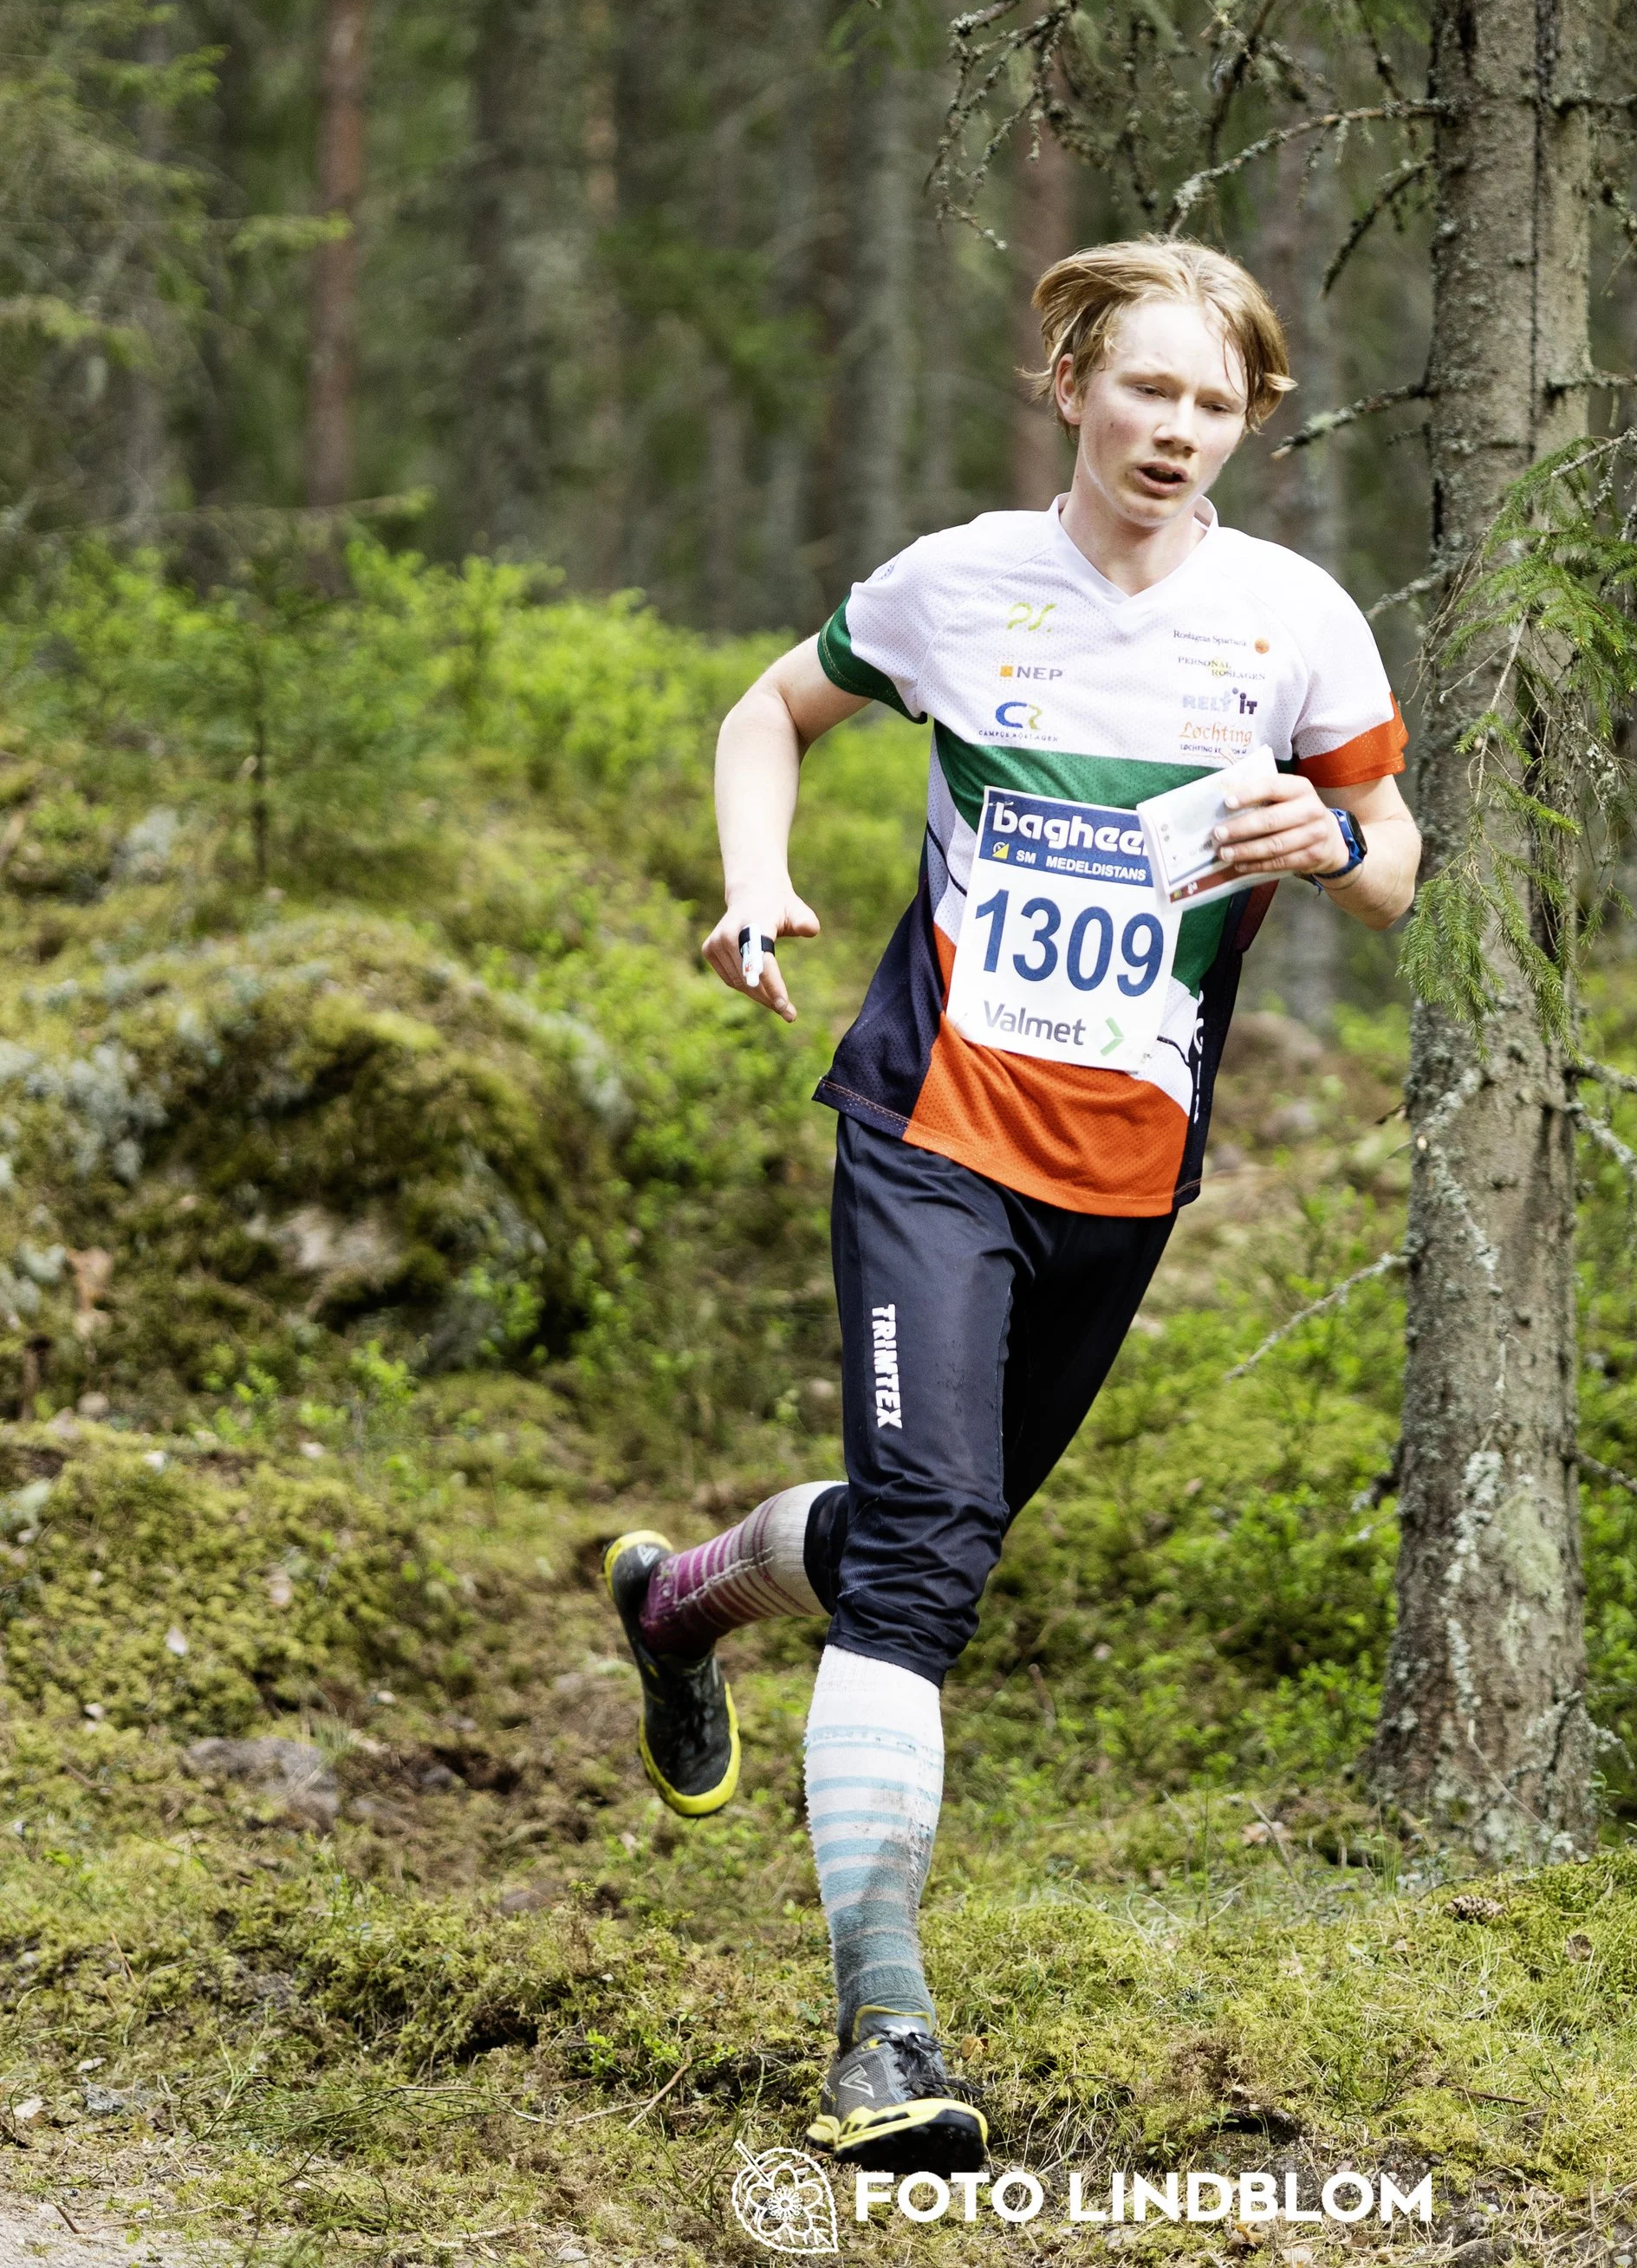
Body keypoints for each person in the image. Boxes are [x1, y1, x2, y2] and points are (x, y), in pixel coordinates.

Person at [601, 239, 1419, 2172]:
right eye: (1146, 389)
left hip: (1122, 1167)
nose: (1177, 431)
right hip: (928, 1130)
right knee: (927, 1561)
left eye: (1214, 406)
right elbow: (764, 714)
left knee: (917, 1526)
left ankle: (678, 1599)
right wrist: (749, 882)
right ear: (1070, 381)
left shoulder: (1291, 620)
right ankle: (882, 2024)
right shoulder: (958, 584)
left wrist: (1329, 840)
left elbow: (1392, 859)